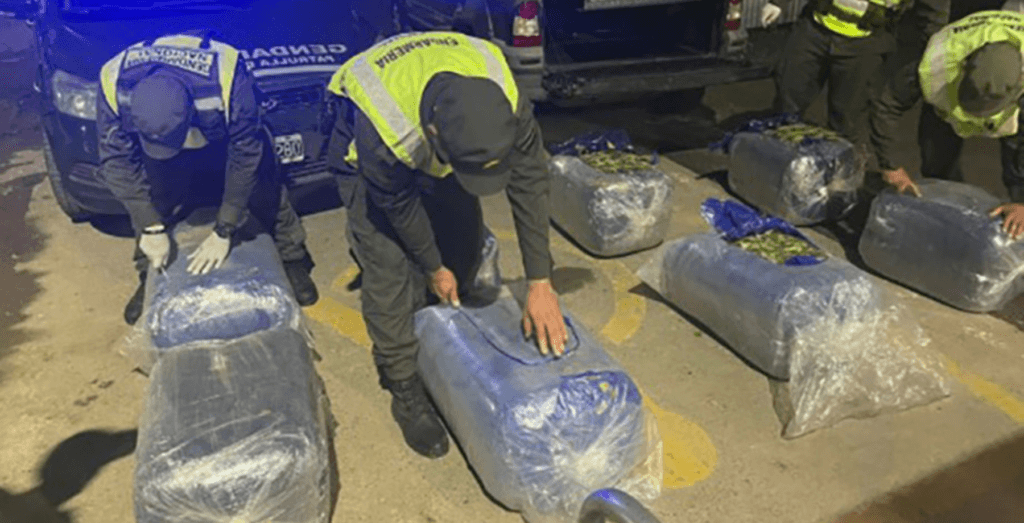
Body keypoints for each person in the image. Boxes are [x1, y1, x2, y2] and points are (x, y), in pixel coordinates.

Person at [325, 31, 568, 458]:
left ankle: (451, 337)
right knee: (389, 267)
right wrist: (432, 266)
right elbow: (399, 206)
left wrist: (540, 281)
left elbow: (531, 181)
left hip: (440, 139)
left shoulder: (505, 98)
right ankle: (403, 384)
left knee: (464, 242)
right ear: (434, 133)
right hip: (367, 161)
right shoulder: (386, 126)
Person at [96, 31, 319, 325]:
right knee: (152, 196)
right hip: (164, 132)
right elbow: (116, 161)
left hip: (223, 133)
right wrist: (150, 226)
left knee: (265, 188)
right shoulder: (114, 80)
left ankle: (292, 258)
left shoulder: (227, 77)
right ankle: (149, 275)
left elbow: (246, 155)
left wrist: (224, 229)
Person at [870, 10, 1024, 240]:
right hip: (951, 92)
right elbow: (887, 104)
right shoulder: (938, 59)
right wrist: (890, 165)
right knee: (937, 148)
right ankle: (943, 211)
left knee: (1017, 156)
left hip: (1013, 102)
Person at [761, 0, 950, 148]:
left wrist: (934, 54)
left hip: (868, 42)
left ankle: (838, 177)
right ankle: (776, 163)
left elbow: (934, 12)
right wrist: (778, 2)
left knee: (847, 123)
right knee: (787, 102)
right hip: (814, 28)